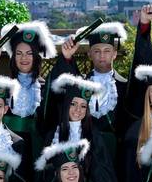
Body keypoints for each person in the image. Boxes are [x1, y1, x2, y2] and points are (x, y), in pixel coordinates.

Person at [49, 22, 132, 163]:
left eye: (107, 51)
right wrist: (67, 57)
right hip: (84, 152)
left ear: (114, 54)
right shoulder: (79, 84)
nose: (102, 56)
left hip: (117, 153)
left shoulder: (125, 86)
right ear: (89, 54)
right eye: (97, 51)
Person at [0, 21, 57, 171]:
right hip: (8, 147)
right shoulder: (3, 86)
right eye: (19, 53)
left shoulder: (45, 88)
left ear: (37, 56)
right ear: (13, 56)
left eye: (29, 53)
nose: (24, 58)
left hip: (37, 150)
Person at [42, 74, 120, 182]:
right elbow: (45, 170)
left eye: (83, 106)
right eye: (73, 104)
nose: (78, 110)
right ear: (66, 104)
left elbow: (102, 168)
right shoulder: (53, 135)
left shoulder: (93, 135)